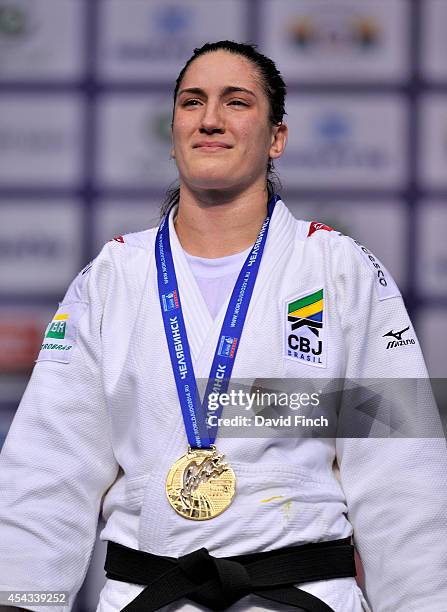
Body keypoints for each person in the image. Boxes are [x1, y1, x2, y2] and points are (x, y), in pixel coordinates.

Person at [0, 40, 446, 612]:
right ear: (173, 132)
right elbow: (48, 467)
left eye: (236, 102)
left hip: (300, 598)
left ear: (276, 138)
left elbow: (402, 473)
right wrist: (20, 601)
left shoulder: (338, 269)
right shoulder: (114, 277)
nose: (210, 119)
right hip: (150, 598)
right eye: (192, 102)